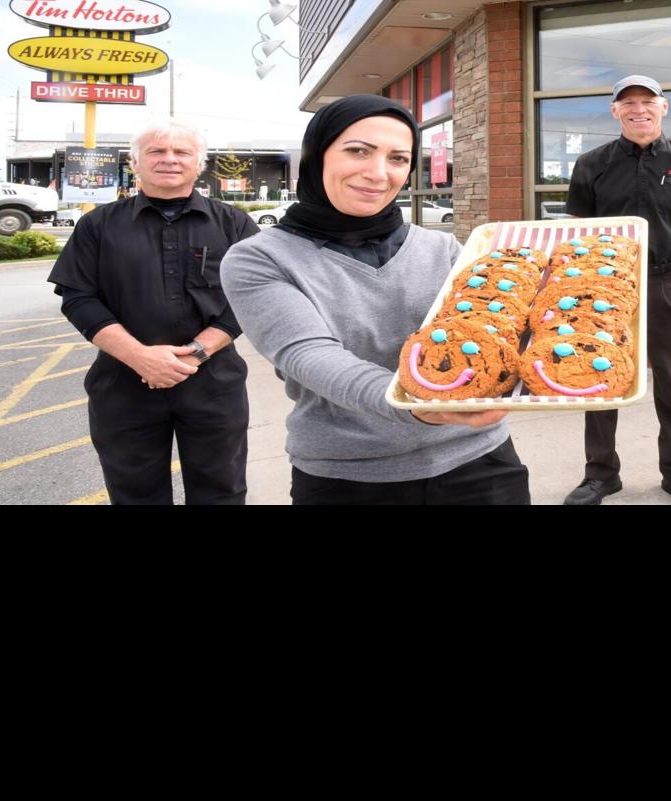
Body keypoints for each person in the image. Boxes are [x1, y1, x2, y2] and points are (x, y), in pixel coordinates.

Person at [221, 94, 529, 505]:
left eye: (398, 158)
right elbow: (309, 355)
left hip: (481, 462)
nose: (378, 173)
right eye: (358, 151)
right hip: (351, 478)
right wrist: (413, 403)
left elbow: (497, 330)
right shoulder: (260, 258)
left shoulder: (443, 249)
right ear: (317, 155)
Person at [50, 117, 257, 504]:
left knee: (222, 492)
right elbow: (78, 297)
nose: (169, 159)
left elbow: (253, 297)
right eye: (156, 151)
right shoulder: (98, 226)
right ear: (135, 162)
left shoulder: (235, 225)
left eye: (182, 151)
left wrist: (197, 352)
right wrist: (140, 357)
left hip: (214, 383)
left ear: (199, 163)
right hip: (124, 384)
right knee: (135, 495)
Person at [561, 74, 671, 506]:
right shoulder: (592, 164)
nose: (639, 109)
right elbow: (580, 228)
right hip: (605, 285)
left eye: (648, 101)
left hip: (666, 282)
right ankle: (600, 475)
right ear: (615, 111)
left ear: (663, 107)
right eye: (628, 103)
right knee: (599, 375)